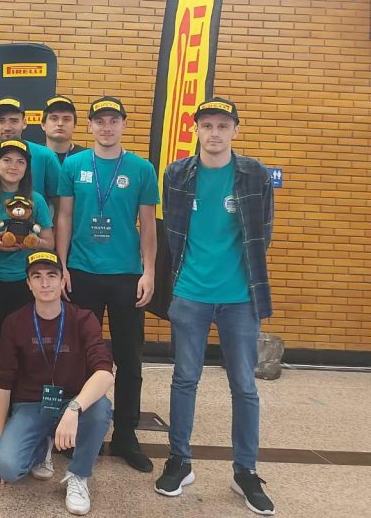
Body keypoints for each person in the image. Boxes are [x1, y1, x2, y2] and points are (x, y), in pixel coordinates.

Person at [154, 98, 276, 516]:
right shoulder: (177, 174)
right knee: (184, 379)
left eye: (223, 126)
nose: (215, 133)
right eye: (207, 125)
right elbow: (173, 232)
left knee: (244, 385)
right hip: (190, 294)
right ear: (196, 130)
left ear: (235, 130)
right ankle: (179, 461)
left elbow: (262, 233)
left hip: (240, 298)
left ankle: (245, 471)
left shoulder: (254, 174)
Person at [55, 96, 159, 473]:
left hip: (126, 275)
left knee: (129, 356)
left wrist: (149, 271)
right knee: (79, 354)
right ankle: (80, 428)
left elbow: (148, 224)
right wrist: (62, 265)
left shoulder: (141, 168)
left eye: (113, 120)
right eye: (99, 121)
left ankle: (126, 434)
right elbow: (64, 217)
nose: (106, 127)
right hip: (81, 271)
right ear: (90, 126)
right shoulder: (74, 165)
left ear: (124, 125)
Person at [0, 251, 114, 516]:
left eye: (51, 275)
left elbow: (105, 373)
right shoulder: (14, 322)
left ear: (62, 280)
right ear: (28, 284)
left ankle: (78, 475)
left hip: (73, 401)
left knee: (101, 407)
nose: (45, 283)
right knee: (7, 469)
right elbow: (4, 381)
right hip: (31, 404)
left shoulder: (83, 318)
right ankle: (42, 445)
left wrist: (74, 409)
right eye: (37, 277)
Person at [0, 139, 55, 455]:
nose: (13, 166)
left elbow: (49, 242)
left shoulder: (36, 200)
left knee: (24, 355)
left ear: (26, 168)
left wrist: (32, 242)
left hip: (23, 286)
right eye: (7, 160)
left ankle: (20, 421)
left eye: (20, 161)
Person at [0, 97, 61, 205]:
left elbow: (60, 202)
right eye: (1, 121)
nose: (7, 127)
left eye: (14, 121)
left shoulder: (46, 156)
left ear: (24, 123)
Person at [41, 95, 86, 164]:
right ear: (43, 125)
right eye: (54, 119)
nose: (60, 123)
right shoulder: (32, 155)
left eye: (66, 119)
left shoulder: (86, 157)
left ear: (74, 126)